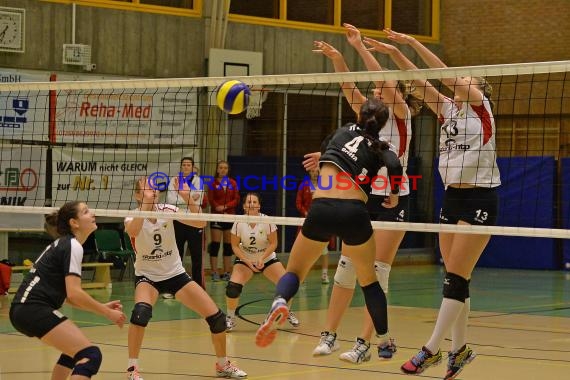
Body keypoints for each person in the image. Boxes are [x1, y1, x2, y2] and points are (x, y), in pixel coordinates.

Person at [364, 29, 501, 379]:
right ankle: (460, 350)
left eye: (467, 78)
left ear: (477, 89)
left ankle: (432, 349)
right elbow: (417, 78)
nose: (461, 80)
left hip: (480, 197)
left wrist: (411, 43)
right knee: (456, 277)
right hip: (451, 197)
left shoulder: (479, 108)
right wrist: (394, 53)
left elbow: (443, 74)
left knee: (455, 276)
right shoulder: (447, 109)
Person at [310, 23, 423, 363]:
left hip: (392, 199)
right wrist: (338, 58)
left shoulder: (400, 116)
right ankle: (329, 335)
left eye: (380, 88)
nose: (375, 90)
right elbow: (348, 87)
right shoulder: (369, 121)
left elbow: (386, 81)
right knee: (346, 268)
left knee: (376, 272)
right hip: (361, 198)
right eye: (373, 89)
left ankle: (364, 344)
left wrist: (360, 46)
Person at [255, 98, 402, 350]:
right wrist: (395, 194)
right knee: (369, 281)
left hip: (320, 209)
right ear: (383, 124)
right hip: (354, 213)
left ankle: (280, 300)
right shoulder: (381, 147)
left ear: (359, 116)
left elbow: (331, 153)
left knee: (294, 272)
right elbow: (395, 165)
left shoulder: (342, 131)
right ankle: (384, 340)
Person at [124, 177, 247, 380]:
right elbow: (134, 231)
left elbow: (200, 222)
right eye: (147, 189)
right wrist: (147, 205)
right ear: (138, 195)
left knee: (217, 320)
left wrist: (188, 198)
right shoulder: (130, 216)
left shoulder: (168, 210)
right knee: (140, 314)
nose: (153, 191)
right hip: (148, 277)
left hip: (175, 274)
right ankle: (132, 369)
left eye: (154, 188)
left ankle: (223, 364)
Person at [9, 201, 126, 379]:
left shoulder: (65, 244)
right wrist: (107, 313)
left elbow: (67, 297)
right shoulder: (72, 245)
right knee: (91, 355)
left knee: (73, 354)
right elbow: (74, 293)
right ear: (74, 222)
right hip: (33, 308)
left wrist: (101, 306)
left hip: (25, 310)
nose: (92, 214)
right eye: (86, 212)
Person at [225, 192, 299, 332]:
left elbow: (273, 243)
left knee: (287, 284)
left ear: (259, 205)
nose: (251, 204)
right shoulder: (238, 221)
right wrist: (247, 261)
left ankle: (287, 311)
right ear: (244, 206)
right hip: (245, 258)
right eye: (248, 202)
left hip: (266, 257)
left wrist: (261, 258)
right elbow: (235, 246)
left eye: (254, 202)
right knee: (232, 288)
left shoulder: (267, 221)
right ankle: (230, 318)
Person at [166, 156, 206, 290]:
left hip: (195, 221)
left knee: (197, 255)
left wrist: (183, 197)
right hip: (178, 220)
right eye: (184, 164)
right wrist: (189, 198)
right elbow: (171, 200)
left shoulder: (198, 181)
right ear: (181, 166)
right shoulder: (174, 180)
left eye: (189, 165)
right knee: (176, 254)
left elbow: (198, 201)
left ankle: (199, 286)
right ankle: (175, 286)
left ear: (193, 167)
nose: (186, 167)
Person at [295, 167, 332, 284]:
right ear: (309, 172)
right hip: (306, 221)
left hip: (321, 221)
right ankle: (303, 275)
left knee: (324, 250)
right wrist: (305, 213)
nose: (315, 174)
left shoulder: (325, 184)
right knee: (304, 249)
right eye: (312, 171)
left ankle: (325, 274)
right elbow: (298, 202)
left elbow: (330, 202)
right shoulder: (304, 185)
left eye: (317, 172)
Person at [208, 160, 240, 282]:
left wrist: (225, 207)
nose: (223, 170)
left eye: (225, 168)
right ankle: (214, 272)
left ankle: (227, 272)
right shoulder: (213, 183)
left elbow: (236, 199)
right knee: (215, 245)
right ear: (217, 169)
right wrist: (218, 207)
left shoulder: (232, 182)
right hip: (216, 216)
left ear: (228, 170)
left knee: (228, 246)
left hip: (229, 216)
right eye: (220, 167)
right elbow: (211, 199)